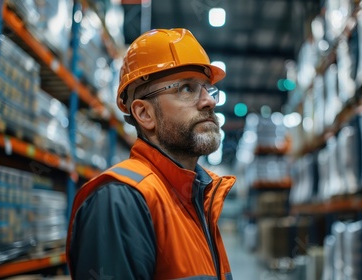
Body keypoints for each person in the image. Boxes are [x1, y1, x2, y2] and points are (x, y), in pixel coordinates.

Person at [66, 28, 236, 280]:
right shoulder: (121, 200)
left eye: (208, 90)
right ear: (144, 114)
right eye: (187, 89)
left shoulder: (198, 198)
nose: (209, 102)